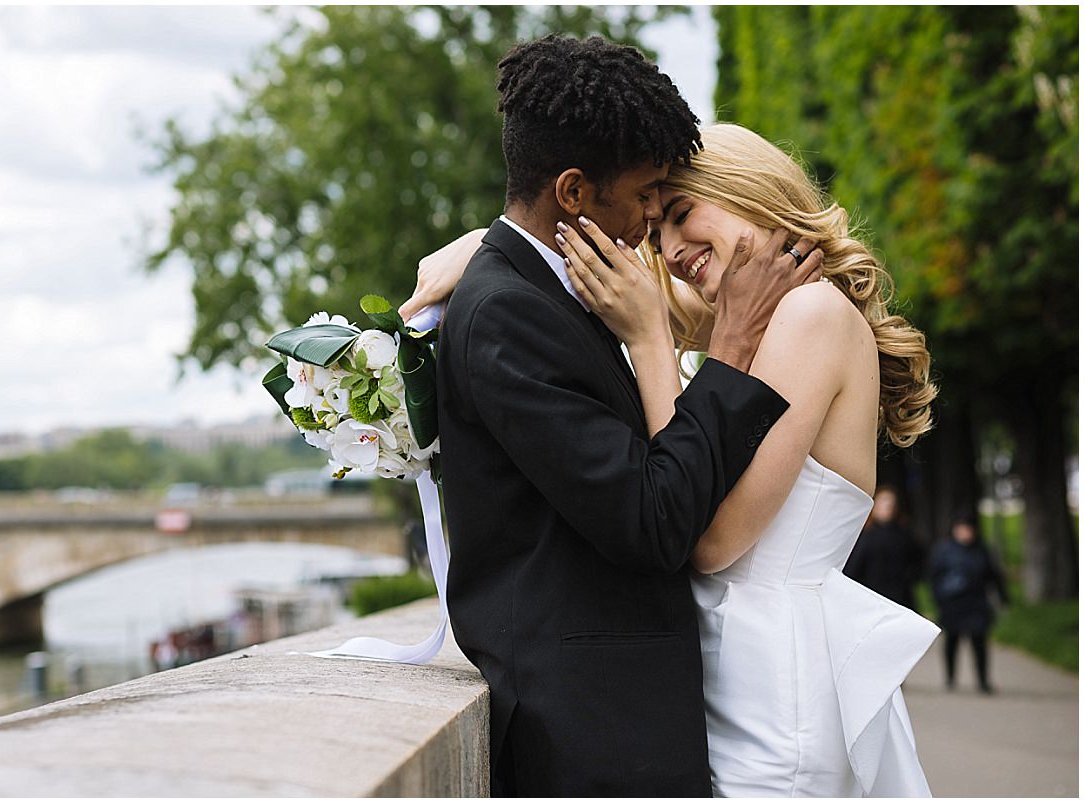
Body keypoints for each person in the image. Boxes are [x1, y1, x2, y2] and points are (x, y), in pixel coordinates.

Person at [408, 120, 941, 796]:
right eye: (658, 229)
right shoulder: (755, 316)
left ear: (747, 188)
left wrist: (653, 347)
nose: (670, 247)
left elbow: (711, 537)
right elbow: (609, 279)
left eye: (684, 212)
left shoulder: (810, 314)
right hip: (736, 678)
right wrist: (492, 242)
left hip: (778, 695)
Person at [424, 35, 824, 796]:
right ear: (572, 193)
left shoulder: (547, 284)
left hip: (618, 720)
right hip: (587, 737)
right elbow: (651, 518)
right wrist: (732, 347)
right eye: (645, 196)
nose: (650, 226)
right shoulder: (508, 312)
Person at [929, 515, 1009, 694]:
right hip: (952, 604)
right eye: (962, 528)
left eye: (969, 529)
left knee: (979, 641)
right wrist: (938, 599)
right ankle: (950, 678)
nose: (965, 533)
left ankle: (983, 680)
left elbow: (994, 576)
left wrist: (1003, 598)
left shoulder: (982, 551)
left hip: (976, 603)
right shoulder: (944, 551)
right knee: (952, 641)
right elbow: (934, 578)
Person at [844, 486, 925, 610]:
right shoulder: (865, 536)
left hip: (900, 597)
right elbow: (853, 569)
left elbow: (917, 561)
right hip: (873, 598)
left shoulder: (904, 534)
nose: (888, 507)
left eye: (891, 503)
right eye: (883, 502)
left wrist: (910, 576)